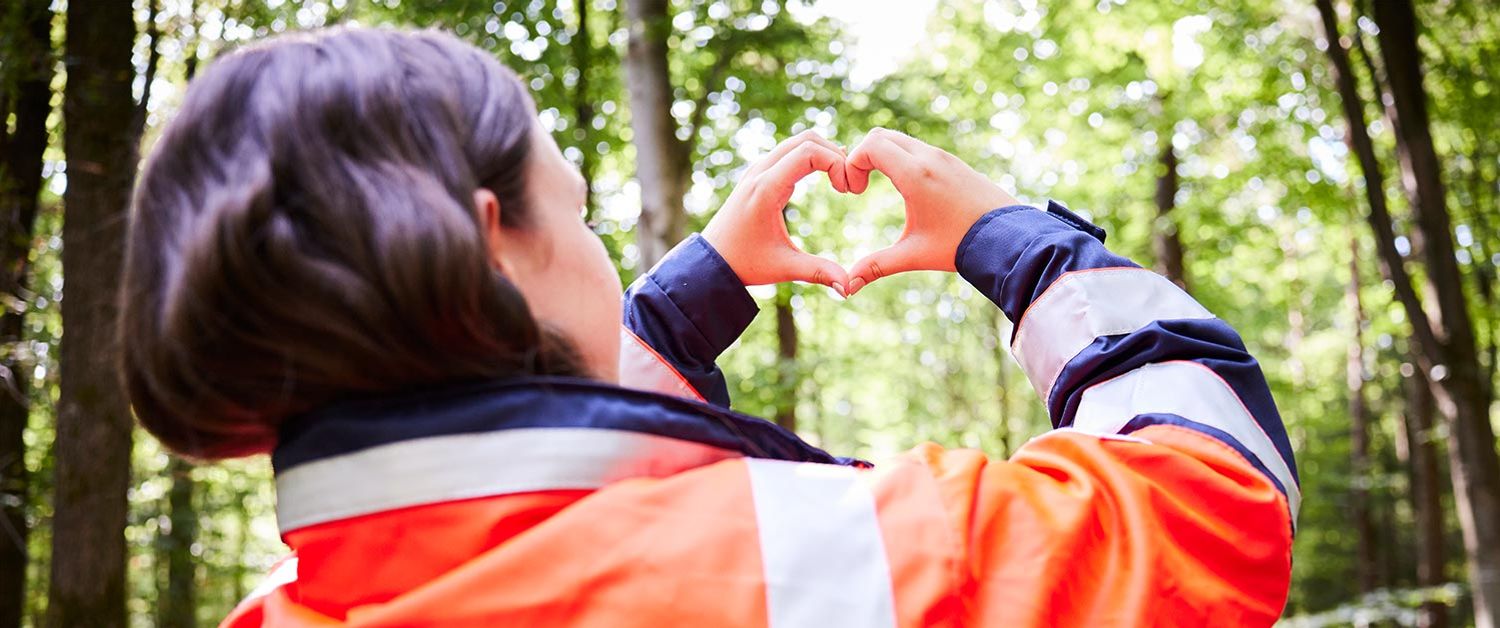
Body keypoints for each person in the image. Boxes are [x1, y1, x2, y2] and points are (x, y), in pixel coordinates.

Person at [120, 27, 1297, 627]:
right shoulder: (812, 557)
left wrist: (687, 309)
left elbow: (534, 505)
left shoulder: (283, 607)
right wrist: (1022, 244)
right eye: (577, 211)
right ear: (492, 244)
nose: (602, 254)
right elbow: (1215, 501)